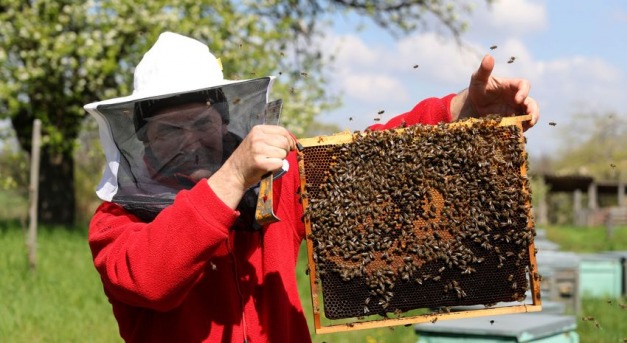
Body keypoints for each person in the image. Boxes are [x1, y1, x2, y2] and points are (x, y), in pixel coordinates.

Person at [84, 32, 539, 343]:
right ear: (140, 137)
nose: (188, 141)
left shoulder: (275, 178)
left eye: (200, 123)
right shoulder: (117, 220)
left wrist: (463, 112)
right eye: (168, 130)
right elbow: (150, 280)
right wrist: (231, 176)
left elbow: (370, 164)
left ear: (224, 119)